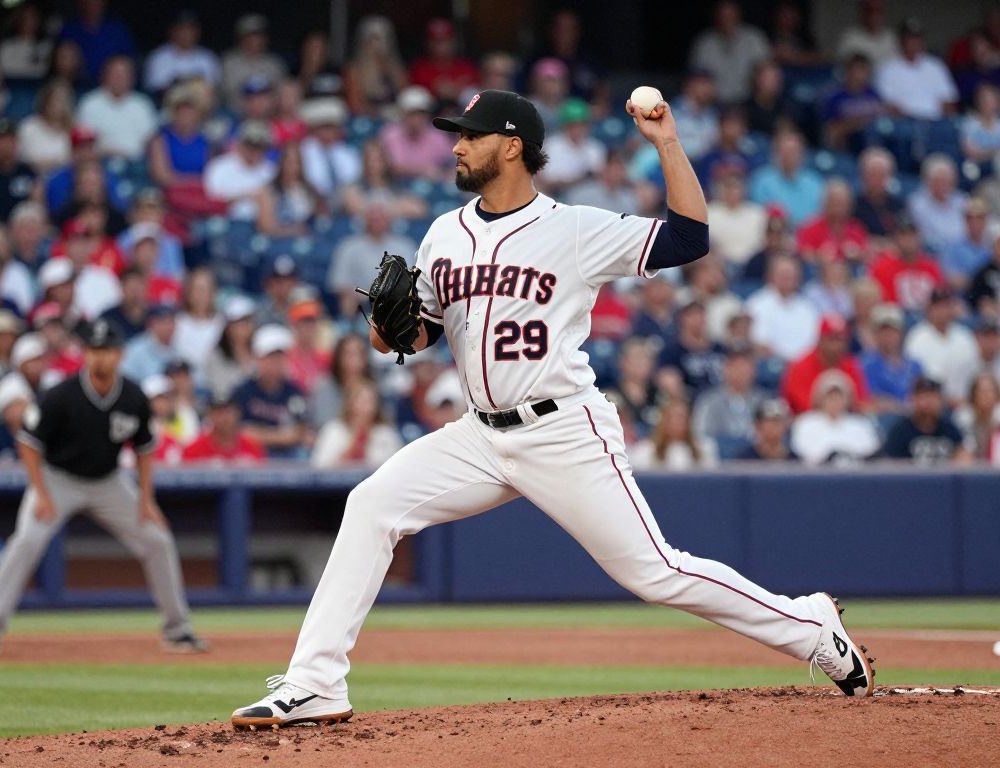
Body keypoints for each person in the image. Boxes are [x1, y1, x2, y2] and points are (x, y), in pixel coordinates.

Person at [230, 89, 876, 728]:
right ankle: (315, 684)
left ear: (510, 147)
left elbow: (688, 238)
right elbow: (415, 334)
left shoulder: (573, 229)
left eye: (470, 135)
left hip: (563, 428)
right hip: (478, 436)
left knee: (655, 573)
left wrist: (668, 144)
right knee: (371, 505)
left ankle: (809, 627)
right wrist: (386, 328)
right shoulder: (443, 233)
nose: (455, 145)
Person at [0, 318, 206, 655]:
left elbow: (144, 450)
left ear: (120, 355)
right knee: (26, 541)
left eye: (107, 351)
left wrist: (146, 500)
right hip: (57, 479)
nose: (101, 358)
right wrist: (40, 493)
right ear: (86, 355)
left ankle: (178, 630)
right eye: (95, 351)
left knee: (157, 539)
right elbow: (28, 444)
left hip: (108, 482)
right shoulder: (61, 395)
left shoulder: (132, 396)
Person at [233, 324, 312, 460]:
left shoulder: (294, 391)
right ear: (258, 358)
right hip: (253, 454)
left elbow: (301, 431)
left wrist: (261, 434)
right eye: (270, 357)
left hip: (289, 454)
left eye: (279, 356)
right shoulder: (243, 391)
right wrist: (281, 436)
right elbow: (240, 432)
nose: (275, 362)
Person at [328, 204, 417, 320]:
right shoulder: (349, 246)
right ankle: (349, 330)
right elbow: (339, 284)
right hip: (360, 300)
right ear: (364, 220)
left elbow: (412, 281)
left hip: (394, 300)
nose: (376, 221)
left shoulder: (404, 246)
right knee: (347, 300)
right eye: (373, 217)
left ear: (389, 219)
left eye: (380, 217)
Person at [781, 314, 869, 413]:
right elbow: (803, 406)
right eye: (832, 339)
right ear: (820, 340)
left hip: (844, 422)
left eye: (840, 340)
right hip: (808, 422)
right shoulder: (800, 366)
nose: (836, 346)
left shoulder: (851, 365)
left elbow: (860, 402)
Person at [75, 56, 158, 160]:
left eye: (124, 75)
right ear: (104, 76)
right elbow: (83, 143)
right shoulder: (89, 103)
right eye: (115, 75)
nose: (119, 79)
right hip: (100, 162)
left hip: (137, 163)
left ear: (132, 78)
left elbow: (153, 141)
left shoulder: (143, 104)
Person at [903, 288, 978, 402]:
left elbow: (974, 374)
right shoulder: (917, 338)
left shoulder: (965, 337)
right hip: (930, 403)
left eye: (947, 305)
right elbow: (914, 378)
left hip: (964, 403)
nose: (943, 310)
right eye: (939, 306)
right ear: (930, 308)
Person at [688, 0, 771, 104]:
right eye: (723, 15)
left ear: (738, 15)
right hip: (713, 104)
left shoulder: (754, 38)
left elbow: (768, 74)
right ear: (716, 17)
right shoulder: (704, 43)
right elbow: (695, 79)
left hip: (750, 103)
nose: (727, 19)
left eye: (730, 14)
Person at [874, 18, 958, 120]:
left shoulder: (936, 66)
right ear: (901, 41)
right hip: (904, 123)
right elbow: (887, 105)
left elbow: (949, 101)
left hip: (935, 123)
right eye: (909, 38)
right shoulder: (887, 69)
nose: (913, 42)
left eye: (917, 38)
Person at [790, 370, 879, 465]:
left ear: (848, 399)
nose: (835, 401)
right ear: (819, 398)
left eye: (839, 396)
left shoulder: (861, 424)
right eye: (830, 396)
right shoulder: (806, 423)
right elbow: (803, 454)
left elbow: (870, 454)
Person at [311, 378, 402, 469]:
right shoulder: (333, 430)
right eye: (360, 401)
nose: (365, 407)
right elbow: (320, 467)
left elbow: (397, 468)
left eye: (370, 401)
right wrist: (352, 447)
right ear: (349, 403)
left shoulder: (386, 433)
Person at [745, 255, 819, 362]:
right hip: (771, 364)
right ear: (771, 276)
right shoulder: (756, 304)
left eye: (791, 275)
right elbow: (759, 343)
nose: (788, 278)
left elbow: (814, 341)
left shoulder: (808, 307)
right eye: (783, 274)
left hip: (803, 364)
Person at [882, 376, 971, 464]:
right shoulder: (900, 431)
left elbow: (963, 456)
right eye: (922, 397)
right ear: (913, 399)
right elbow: (893, 465)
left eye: (932, 397)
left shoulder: (950, 428)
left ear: (940, 400)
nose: (928, 402)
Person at [867, 214, 944, 313]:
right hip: (896, 317)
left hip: (928, 318)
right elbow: (884, 303)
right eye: (903, 235)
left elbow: (940, 297)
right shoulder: (882, 267)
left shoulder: (931, 266)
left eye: (911, 235)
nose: (908, 240)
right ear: (895, 238)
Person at [202, 121, 277, 222]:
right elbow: (212, 202)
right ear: (240, 143)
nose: (254, 151)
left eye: (259, 146)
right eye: (250, 144)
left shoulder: (270, 170)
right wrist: (245, 195)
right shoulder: (219, 166)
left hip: (261, 224)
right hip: (227, 222)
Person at [692, 344, 766, 443]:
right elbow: (701, 436)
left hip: (755, 457)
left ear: (753, 369)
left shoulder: (763, 401)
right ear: (725, 368)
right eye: (735, 365)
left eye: (745, 365)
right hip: (718, 457)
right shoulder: (709, 401)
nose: (740, 371)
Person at [379, 86, 456, 181]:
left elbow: (451, 163)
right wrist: (423, 170)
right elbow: (393, 167)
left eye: (421, 114)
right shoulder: (391, 134)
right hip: (399, 186)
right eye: (413, 114)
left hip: (433, 185)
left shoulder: (437, 136)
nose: (417, 118)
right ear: (403, 114)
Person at [749, 130, 825, 226]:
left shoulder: (815, 182)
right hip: (775, 235)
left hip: (808, 236)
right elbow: (758, 216)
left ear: (802, 154)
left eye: (793, 151)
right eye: (784, 151)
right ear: (775, 153)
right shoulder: (761, 181)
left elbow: (820, 216)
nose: (789, 156)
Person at [340, 140, 428, 220]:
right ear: (363, 161)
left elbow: (418, 209)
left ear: (386, 161)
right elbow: (352, 206)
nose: (373, 163)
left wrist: (375, 210)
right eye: (369, 159)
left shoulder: (397, 187)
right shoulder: (353, 188)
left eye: (378, 159)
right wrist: (396, 208)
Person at [860, 303, 921, 414]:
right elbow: (874, 400)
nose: (888, 335)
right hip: (882, 420)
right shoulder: (865, 364)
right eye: (883, 330)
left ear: (901, 333)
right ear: (875, 334)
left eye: (893, 330)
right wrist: (902, 407)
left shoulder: (914, 365)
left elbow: (922, 397)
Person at [657, 301, 725, 401]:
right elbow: (667, 379)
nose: (697, 320)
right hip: (689, 402)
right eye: (692, 315)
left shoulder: (720, 349)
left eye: (700, 315)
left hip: (721, 401)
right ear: (682, 319)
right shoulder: (672, 352)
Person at [343, 15, 407, 118]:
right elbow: (354, 105)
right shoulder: (354, 70)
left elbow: (405, 99)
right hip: (368, 121)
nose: (378, 44)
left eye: (383, 38)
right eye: (373, 38)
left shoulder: (398, 70)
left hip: (396, 120)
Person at [147, 85, 210, 189]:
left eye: (190, 111)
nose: (185, 115)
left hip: (199, 195)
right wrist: (192, 182)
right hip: (170, 194)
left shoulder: (205, 142)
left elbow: (210, 177)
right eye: (181, 111)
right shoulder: (160, 140)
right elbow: (162, 176)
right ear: (173, 112)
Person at [299, 98, 362, 203]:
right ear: (314, 129)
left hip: (345, 204)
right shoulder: (304, 151)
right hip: (312, 202)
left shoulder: (346, 152)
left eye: (332, 127)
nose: (329, 132)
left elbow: (354, 179)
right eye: (324, 127)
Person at [0, 118, 40, 221]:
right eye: (0, 140)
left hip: (21, 228)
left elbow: (37, 206)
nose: (5, 145)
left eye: (9, 140)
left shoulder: (27, 172)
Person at [57, 0, 135, 83]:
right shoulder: (70, 29)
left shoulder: (117, 30)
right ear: (81, 3)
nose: (92, 6)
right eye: (89, 2)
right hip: (75, 84)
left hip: (110, 87)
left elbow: (129, 62)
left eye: (96, 3)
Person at [629, 398, 718, 471]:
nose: (676, 423)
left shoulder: (703, 449)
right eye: (671, 418)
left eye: (680, 417)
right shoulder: (645, 450)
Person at [221, 14, 286, 113]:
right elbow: (223, 96)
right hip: (236, 118)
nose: (254, 40)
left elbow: (281, 95)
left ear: (265, 39)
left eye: (258, 36)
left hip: (269, 119)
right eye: (249, 36)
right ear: (240, 38)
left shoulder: (274, 64)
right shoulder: (228, 63)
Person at [539, 98, 606, 193]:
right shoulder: (551, 146)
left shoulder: (595, 147)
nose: (578, 130)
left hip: (590, 196)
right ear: (564, 126)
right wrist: (579, 179)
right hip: (559, 196)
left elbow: (602, 179)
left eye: (582, 125)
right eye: (573, 125)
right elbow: (546, 182)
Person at [143, 11, 220, 94]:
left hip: (201, 104)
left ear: (198, 32)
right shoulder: (158, 57)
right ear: (172, 31)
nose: (186, 34)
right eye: (182, 29)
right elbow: (154, 89)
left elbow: (214, 88)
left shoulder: (208, 58)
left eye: (190, 29)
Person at [796, 179, 870, 264]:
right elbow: (804, 255)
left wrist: (858, 255)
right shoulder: (809, 228)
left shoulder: (857, 229)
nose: (838, 208)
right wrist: (818, 256)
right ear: (825, 203)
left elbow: (866, 256)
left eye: (841, 203)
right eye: (834, 202)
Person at [822, 54, 884, 153]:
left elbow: (882, 118)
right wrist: (859, 123)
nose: (862, 74)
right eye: (858, 70)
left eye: (865, 70)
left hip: (871, 139)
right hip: (848, 142)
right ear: (848, 71)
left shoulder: (873, 93)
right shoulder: (836, 97)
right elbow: (831, 130)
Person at [907, 154, 969, 254]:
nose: (943, 185)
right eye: (938, 180)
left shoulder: (962, 201)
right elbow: (925, 238)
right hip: (933, 254)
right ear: (927, 180)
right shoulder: (917, 204)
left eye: (947, 180)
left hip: (963, 254)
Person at [408, 18, 480, 104]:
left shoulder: (467, 67)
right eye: (436, 41)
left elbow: (477, 92)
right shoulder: (419, 69)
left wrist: (456, 93)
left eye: (445, 40)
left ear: (454, 42)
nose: (441, 46)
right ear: (428, 43)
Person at [256, 142, 319, 237]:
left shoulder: (310, 189)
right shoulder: (269, 190)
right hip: (279, 241)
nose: (293, 167)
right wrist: (291, 231)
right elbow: (266, 226)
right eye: (289, 162)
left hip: (307, 240)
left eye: (297, 162)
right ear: (281, 163)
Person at [310, 333, 372, 430]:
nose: (355, 360)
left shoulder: (372, 386)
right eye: (349, 354)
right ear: (339, 357)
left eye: (360, 354)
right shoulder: (325, 386)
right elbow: (323, 425)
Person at [707, 171, 767, 269]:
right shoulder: (709, 213)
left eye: (735, 187)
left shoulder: (757, 213)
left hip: (754, 264)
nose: (732, 191)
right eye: (727, 186)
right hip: (721, 265)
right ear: (719, 189)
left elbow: (764, 242)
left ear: (743, 189)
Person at [181, 395, 266, 464]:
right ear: (209, 415)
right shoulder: (193, 450)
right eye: (219, 413)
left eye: (228, 412)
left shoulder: (253, 448)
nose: (224, 418)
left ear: (237, 414)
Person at [203, 296, 256, 401]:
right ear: (228, 326)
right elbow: (220, 391)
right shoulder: (215, 356)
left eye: (247, 321)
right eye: (238, 322)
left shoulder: (260, 351)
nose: (244, 326)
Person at [17, 80, 76, 174]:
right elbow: (22, 160)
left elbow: (76, 162)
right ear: (45, 102)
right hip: (32, 178)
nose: (59, 106)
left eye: (64, 101)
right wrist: (57, 163)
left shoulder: (73, 130)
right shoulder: (29, 127)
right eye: (55, 101)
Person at [173, 268, 222, 375]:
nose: (200, 295)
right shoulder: (176, 322)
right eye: (196, 289)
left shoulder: (222, 324)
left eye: (204, 289)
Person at [667, 69, 719, 161]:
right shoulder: (670, 112)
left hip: (703, 167)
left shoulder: (714, 115)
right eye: (702, 84)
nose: (707, 89)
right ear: (689, 86)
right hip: (675, 163)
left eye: (709, 85)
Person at [942, 197, 993, 291]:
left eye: (980, 218)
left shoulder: (993, 246)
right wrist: (979, 281)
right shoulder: (953, 246)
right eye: (970, 218)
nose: (975, 222)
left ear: (986, 220)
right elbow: (953, 279)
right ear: (965, 220)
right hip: (964, 298)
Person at [0, 372, 34, 460]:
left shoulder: (36, 432)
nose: (18, 411)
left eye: (21, 405)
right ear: (3, 411)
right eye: (12, 406)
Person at [120, 303, 178, 383]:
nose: (168, 327)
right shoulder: (135, 350)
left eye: (171, 321)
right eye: (162, 322)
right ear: (150, 325)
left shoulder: (180, 348)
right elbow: (125, 380)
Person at [0, 2, 52, 81]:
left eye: (32, 17)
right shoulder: (5, 47)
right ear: (18, 20)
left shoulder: (47, 46)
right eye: (25, 18)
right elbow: (1, 73)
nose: (29, 22)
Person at [854, 147, 903, 239]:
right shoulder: (853, 205)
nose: (877, 180)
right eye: (873, 174)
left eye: (882, 175)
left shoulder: (899, 206)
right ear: (863, 176)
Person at [952, 371, 1000, 458]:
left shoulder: (998, 417)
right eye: (982, 391)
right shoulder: (962, 418)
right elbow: (964, 447)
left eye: (990, 391)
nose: (987, 396)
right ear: (973, 395)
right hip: (972, 467)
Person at [836, 0, 898, 67]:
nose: (874, 14)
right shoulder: (850, 39)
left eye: (878, 10)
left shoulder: (892, 38)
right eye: (870, 10)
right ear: (863, 11)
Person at [734, 397, 799, 461]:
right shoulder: (745, 460)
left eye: (777, 421)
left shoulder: (794, 462)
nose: (773, 427)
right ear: (758, 426)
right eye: (768, 422)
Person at [98, 266, 148, 341]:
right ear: (121, 287)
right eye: (131, 288)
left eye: (138, 288)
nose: (135, 293)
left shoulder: (153, 318)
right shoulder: (108, 317)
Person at [255, 255, 300, 327]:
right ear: (269, 283)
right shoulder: (260, 310)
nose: (283, 286)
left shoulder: (303, 305)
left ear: (295, 283)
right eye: (278, 281)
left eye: (287, 280)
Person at [967, 230, 1000, 316]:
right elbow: (977, 300)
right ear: (993, 248)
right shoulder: (983, 273)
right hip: (990, 318)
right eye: (998, 245)